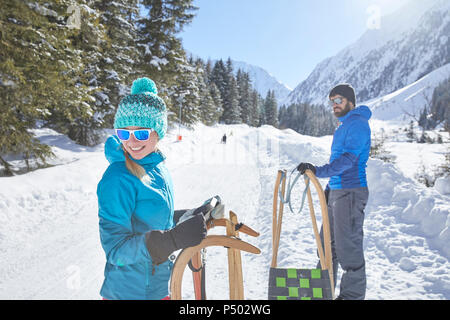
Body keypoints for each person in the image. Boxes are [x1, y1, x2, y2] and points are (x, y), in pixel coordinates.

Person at [97, 77, 207, 300]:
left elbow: (152, 222)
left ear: (158, 132)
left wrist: (182, 219)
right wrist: (171, 240)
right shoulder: (118, 178)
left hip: (158, 288)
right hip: (129, 293)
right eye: (124, 133)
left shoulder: (157, 168)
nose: (132, 141)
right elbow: (115, 251)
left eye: (141, 133)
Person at [296, 83, 371, 300]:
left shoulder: (357, 123)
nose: (334, 105)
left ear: (350, 101)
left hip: (351, 191)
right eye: (332, 101)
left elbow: (348, 160)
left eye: (338, 100)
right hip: (338, 192)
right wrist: (329, 189)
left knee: (348, 249)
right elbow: (339, 161)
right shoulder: (343, 126)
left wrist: (318, 171)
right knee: (327, 246)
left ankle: (351, 296)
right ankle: (322, 291)